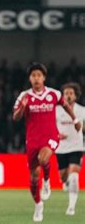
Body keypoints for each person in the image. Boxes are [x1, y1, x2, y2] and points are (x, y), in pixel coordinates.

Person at [13, 63, 81, 222]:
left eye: (39, 75)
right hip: (32, 140)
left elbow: (66, 106)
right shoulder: (24, 96)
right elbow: (15, 118)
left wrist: (75, 119)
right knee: (32, 178)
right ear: (30, 79)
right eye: (33, 76)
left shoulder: (54, 94)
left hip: (51, 136)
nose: (36, 78)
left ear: (44, 78)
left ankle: (47, 180)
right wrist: (22, 108)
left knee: (44, 159)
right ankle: (38, 205)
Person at [55, 82, 85, 216]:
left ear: (76, 96)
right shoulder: (57, 110)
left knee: (74, 176)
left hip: (77, 147)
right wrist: (57, 135)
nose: (68, 96)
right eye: (66, 93)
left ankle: (71, 207)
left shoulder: (82, 110)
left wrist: (80, 126)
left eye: (70, 93)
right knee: (63, 177)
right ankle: (65, 182)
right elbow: (50, 127)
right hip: (61, 148)